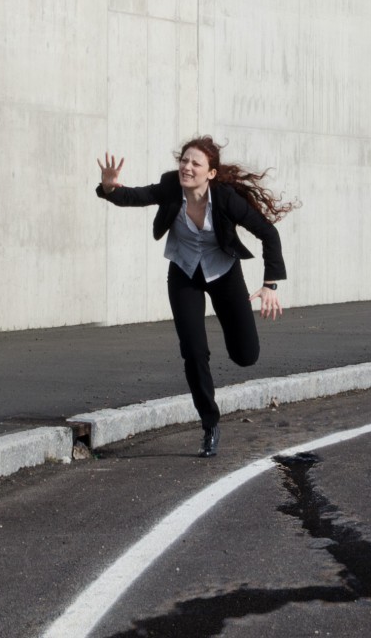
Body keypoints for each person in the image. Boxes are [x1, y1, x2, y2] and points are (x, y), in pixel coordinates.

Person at [94, 137, 291, 457]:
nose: (186, 167)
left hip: (223, 273)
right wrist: (109, 188)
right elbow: (135, 196)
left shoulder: (225, 198)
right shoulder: (171, 186)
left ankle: (238, 354)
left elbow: (269, 233)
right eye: (183, 161)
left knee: (246, 355)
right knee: (193, 350)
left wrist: (271, 284)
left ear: (210, 173)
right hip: (184, 273)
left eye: (195, 163)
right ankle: (210, 424)